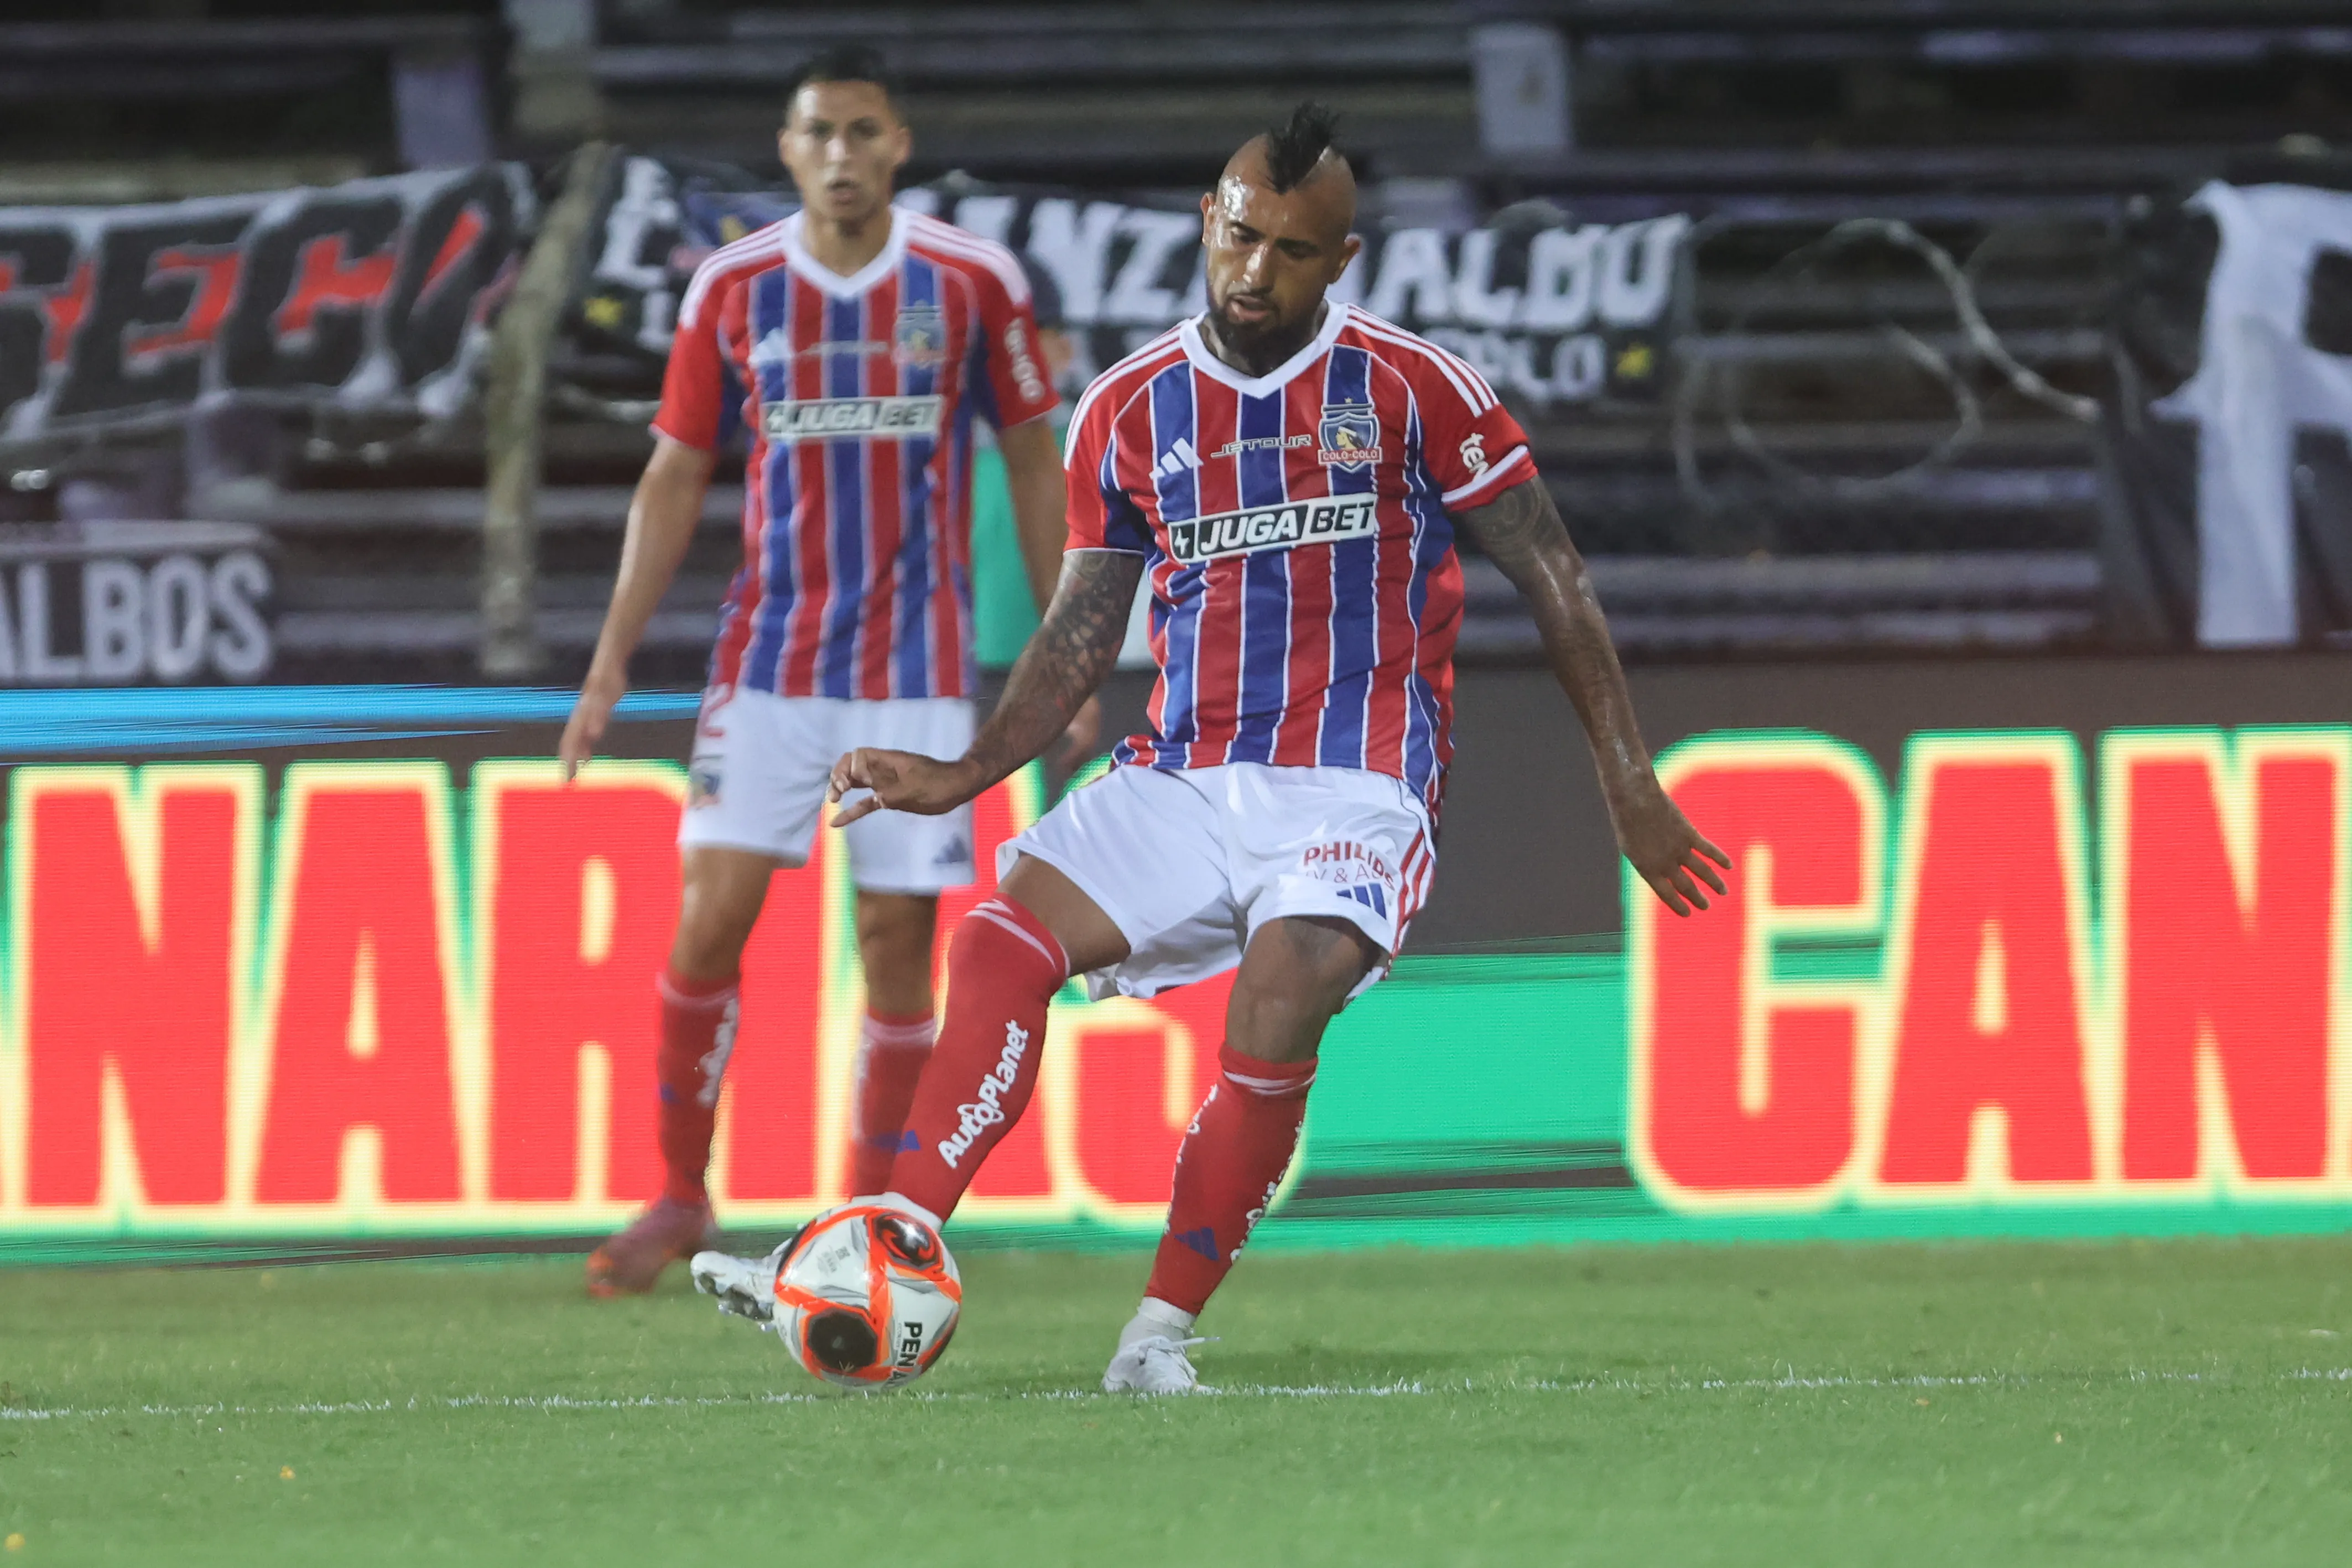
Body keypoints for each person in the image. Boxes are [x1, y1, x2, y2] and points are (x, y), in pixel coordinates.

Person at [826, 102, 1730, 1392]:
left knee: (1283, 980)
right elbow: (1085, 630)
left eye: (1291, 253)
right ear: (1208, 219)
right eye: (1239, 237)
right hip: (1185, 769)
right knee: (995, 940)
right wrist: (967, 770)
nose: (1255, 272)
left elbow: (1555, 577)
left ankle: (1156, 1336)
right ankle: (890, 1244)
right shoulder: (1127, 409)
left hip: (1356, 776)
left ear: (1341, 261)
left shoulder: (1415, 385)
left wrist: (1629, 787)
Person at [559, 44, 1093, 1296]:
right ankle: (683, 1192)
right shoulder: (732, 288)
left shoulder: (969, 280)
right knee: (707, 922)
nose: (842, 155)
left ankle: (861, 1224)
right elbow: (675, 471)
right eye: (819, 134)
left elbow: (1032, 458)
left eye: (863, 132)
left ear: (896, 143)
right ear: (787, 150)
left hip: (913, 671)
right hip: (769, 666)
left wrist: (1068, 654)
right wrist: (607, 664)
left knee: (895, 941)